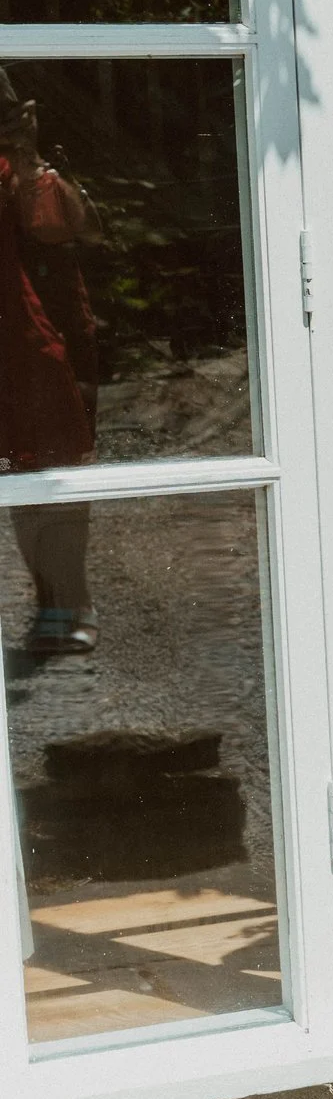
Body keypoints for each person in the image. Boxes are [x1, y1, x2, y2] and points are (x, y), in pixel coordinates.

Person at [0, 66, 101, 658]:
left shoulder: (20, 168)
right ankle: (52, 603)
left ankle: (67, 601)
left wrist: (26, 148)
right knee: (18, 471)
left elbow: (63, 228)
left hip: (24, 337)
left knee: (43, 467)